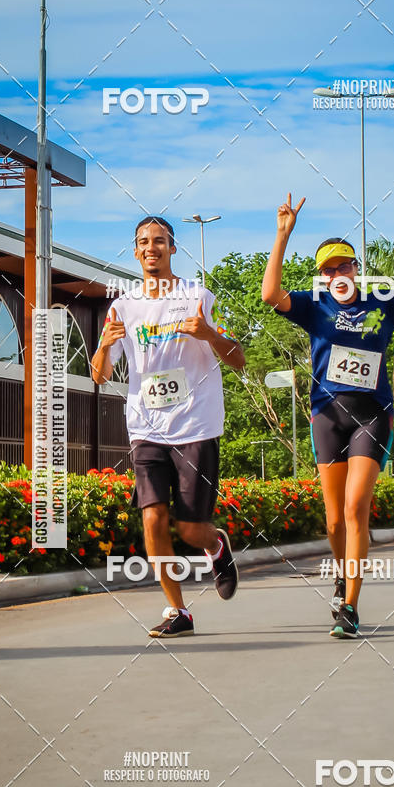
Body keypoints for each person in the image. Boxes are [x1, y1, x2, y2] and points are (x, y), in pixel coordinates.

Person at [262, 194, 394, 639]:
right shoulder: (315, 307)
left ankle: (349, 606)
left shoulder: (381, 304)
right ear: (320, 276)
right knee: (333, 520)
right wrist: (282, 235)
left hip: (372, 415)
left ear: (356, 268)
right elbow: (269, 293)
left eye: (343, 266)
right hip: (327, 416)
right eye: (327, 269)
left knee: (355, 508)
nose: (336, 274)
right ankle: (340, 575)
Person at [91, 216, 245, 636]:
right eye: (143, 242)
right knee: (153, 519)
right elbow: (100, 375)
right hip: (145, 427)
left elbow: (238, 358)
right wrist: (105, 347)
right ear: (136, 251)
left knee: (189, 528)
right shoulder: (123, 306)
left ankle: (216, 546)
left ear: (172, 248)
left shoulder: (198, 296)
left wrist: (209, 334)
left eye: (159, 241)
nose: (151, 247)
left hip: (196, 425)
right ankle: (178, 612)